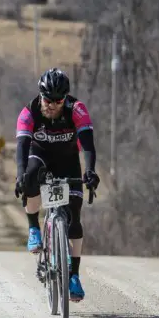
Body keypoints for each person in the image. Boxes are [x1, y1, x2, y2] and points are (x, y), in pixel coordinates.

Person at [13, 68, 100, 303]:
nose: (51, 105)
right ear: (40, 95)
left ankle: (74, 275)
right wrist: (20, 175)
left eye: (57, 101)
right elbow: (21, 146)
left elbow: (88, 145)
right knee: (30, 178)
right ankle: (34, 228)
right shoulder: (29, 112)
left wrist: (90, 172)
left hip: (67, 161)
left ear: (65, 99)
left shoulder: (77, 110)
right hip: (39, 155)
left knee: (74, 214)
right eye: (47, 100)